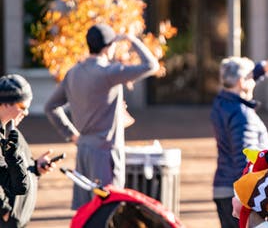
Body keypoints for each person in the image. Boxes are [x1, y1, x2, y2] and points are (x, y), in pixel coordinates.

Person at [44, 23, 160, 210]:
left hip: (84, 151)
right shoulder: (108, 72)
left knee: (87, 213)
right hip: (106, 153)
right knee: (108, 209)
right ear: (109, 47)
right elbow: (151, 65)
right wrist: (132, 39)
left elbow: (51, 107)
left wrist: (71, 134)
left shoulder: (73, 72)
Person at [210, 56, 268, 228]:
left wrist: (263, 68)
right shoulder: (243, 116)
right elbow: (248, 159)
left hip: (223, 189)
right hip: (243, 195)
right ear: (241, 82)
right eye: (251, 78)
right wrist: (255, 199)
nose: (254, 82)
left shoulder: (221, 103)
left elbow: (240, 81)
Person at [0, 74, 56, 227]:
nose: (26, 113)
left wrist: (35, 167)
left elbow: (11, 170)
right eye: (23, 107)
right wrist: (4, 210)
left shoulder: (11, 131)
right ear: (5, 104)